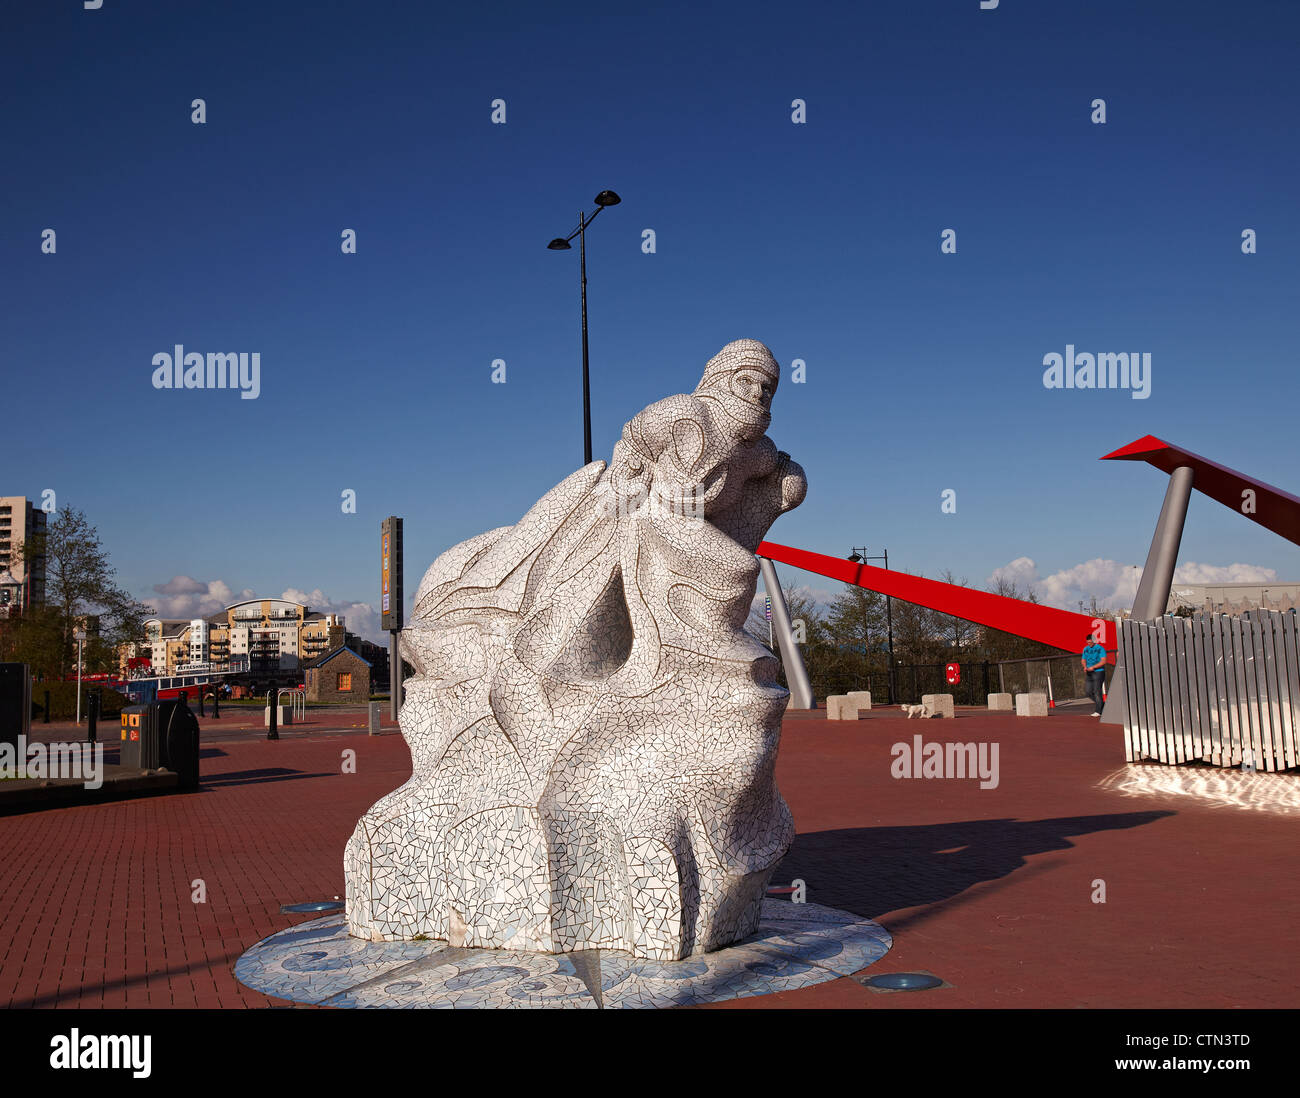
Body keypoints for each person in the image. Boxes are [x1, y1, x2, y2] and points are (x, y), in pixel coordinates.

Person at [1081, 633, 1108, 716]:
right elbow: (1083, 659)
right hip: (1089, 672)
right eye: (1087, 642)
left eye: (1090, 642)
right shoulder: (1085, 649)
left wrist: (1094, 667)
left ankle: (1098, 711)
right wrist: (1085, 666)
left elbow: (1103, 661)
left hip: (1098, 672)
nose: (1089, 644)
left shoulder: (1100, 648)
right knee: (1088, 691)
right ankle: (1102, 705)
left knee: (1097, 691)